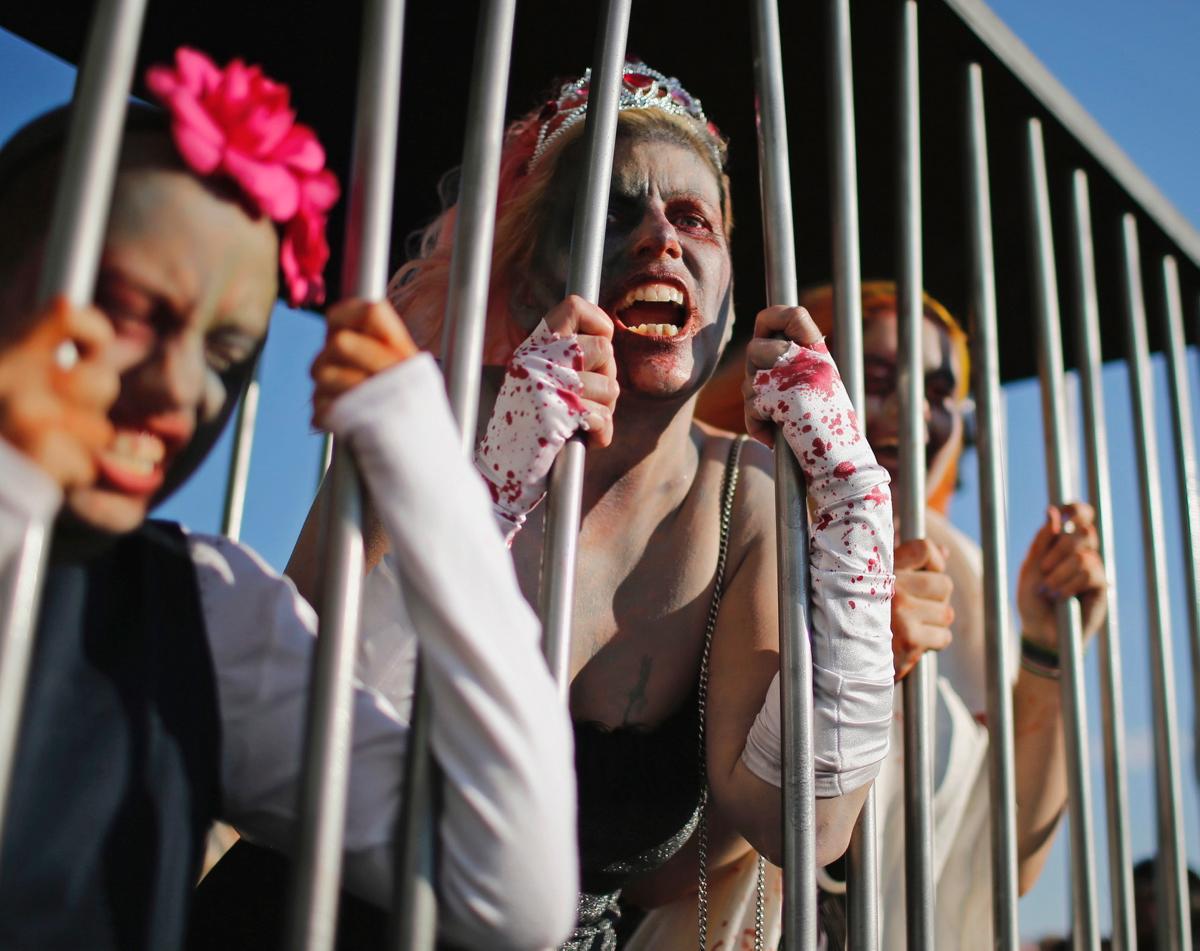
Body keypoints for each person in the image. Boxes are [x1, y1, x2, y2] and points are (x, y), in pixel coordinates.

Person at [212, 63, 894, 951]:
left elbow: (799, 825)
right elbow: (284, 718)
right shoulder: (427, 418)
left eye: (693, 219)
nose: (660, 240)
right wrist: (485, 494)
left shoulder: (747, 503)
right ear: (535, 281)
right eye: (613, 212)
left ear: (732, 287)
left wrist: (852, 512)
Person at [0, 48, 577, 951]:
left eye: (228, 351)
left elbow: (511, 889)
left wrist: (421, 460)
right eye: (134, 309)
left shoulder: (205, 611)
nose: (182, 386)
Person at [696, 280, 1108, 948]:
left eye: (941, 391)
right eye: (875, 376)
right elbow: (675, 842)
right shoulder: (728, 526)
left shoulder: (962, 578)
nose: (913, 412)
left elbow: (998, 862)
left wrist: (1048, 645)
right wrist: (852, 661)